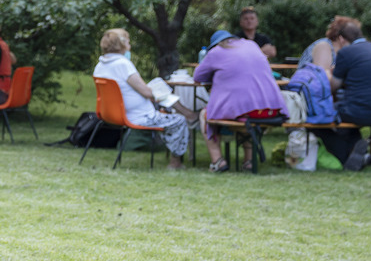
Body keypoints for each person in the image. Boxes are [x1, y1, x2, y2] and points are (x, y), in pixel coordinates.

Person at [92, 28, 197, 170]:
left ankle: (187, 113)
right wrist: (157, 94)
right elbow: (146, 92)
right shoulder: (123, 64)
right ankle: (175, 162)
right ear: (122, 44)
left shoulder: (100, 65)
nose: (130, 45)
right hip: (139, 116)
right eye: (128, 41)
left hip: (110, 114)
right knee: (178, 121)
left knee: (158, 87)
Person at [193, 29, 286, 172]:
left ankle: (218, 161)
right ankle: (248, 161)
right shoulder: (252, 45)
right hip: (271, 110)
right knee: (246, 113)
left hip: (246, 113)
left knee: (205, 115)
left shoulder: (216, 51)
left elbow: (197, 77)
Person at [316, 18, 371, 170]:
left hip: (359, 111)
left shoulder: (346, 52)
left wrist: (327, 73)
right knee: (346, 115)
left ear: (341, 39)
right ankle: (356, 147)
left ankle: (346, 155)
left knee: (319, 118)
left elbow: (334, 85)